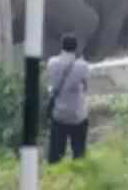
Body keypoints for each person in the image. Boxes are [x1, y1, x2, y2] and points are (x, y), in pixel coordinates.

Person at [46, 33, 90, 163]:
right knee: (79, 152)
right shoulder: (82, 66)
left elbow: (52, 84)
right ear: (76, 48)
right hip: (77, 116)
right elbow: (86, 88)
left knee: (55, 154)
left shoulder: (52, 62)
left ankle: (54, 174)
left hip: (59, 115)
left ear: (62, 46)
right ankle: (78, 169)